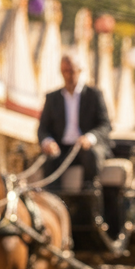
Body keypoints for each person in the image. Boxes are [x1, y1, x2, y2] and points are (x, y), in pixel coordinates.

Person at [38, 53, 112, 185]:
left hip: (85, 149)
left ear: (79, 71)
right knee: (49, 160)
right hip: (62, 149)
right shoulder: (52, 98)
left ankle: (89, 197)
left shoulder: (94, 95)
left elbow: (105, 124)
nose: (68, 75)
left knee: (90, 156)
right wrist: (48, 142)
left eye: (71, 71)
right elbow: (43, 128)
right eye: (65, 71)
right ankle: (53, 199)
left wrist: (89, 138)